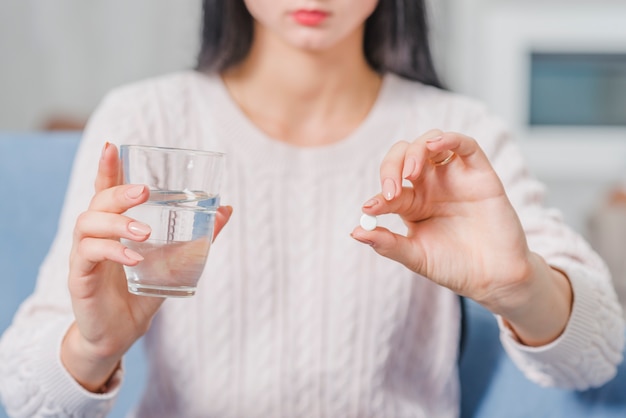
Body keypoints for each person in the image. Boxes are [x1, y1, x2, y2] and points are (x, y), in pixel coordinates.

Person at [0, 1, 624, 417]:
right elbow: (23, 394)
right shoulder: (146, 119)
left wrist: (520, 287)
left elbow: (594, 357)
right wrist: (91, 346)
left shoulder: (454, 132)